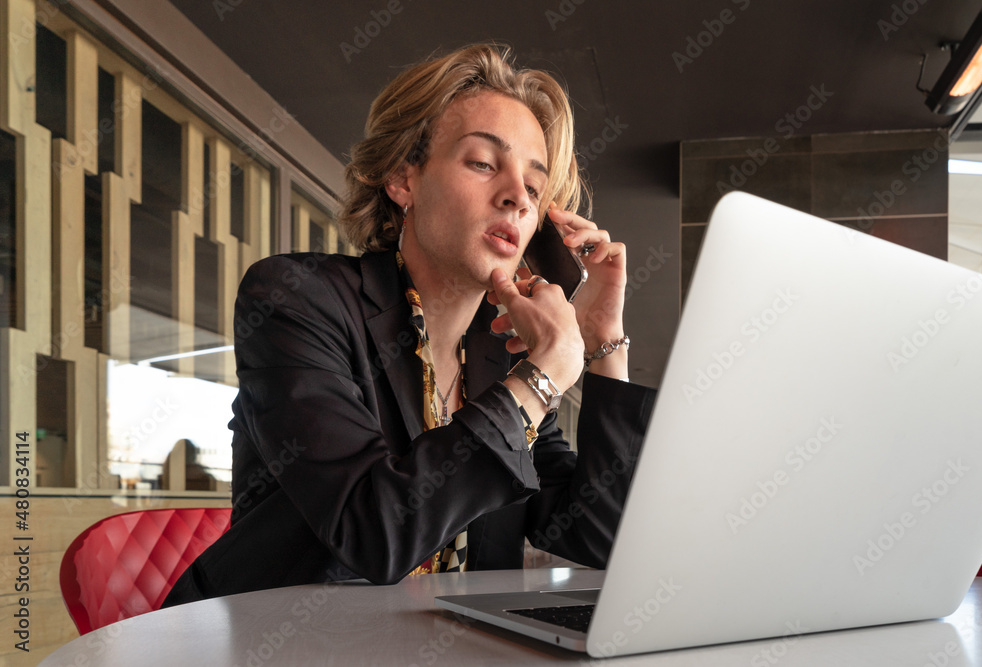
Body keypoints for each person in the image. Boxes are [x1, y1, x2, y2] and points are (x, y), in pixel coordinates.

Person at [164, 43, 656, 605]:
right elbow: (371, 532)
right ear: (403, 179)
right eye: (483, 163)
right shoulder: (295, 300)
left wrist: (602, 346)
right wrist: (542, 380)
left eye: (536, 187)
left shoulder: (497, 361)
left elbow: (598, 535)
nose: (519, 197)